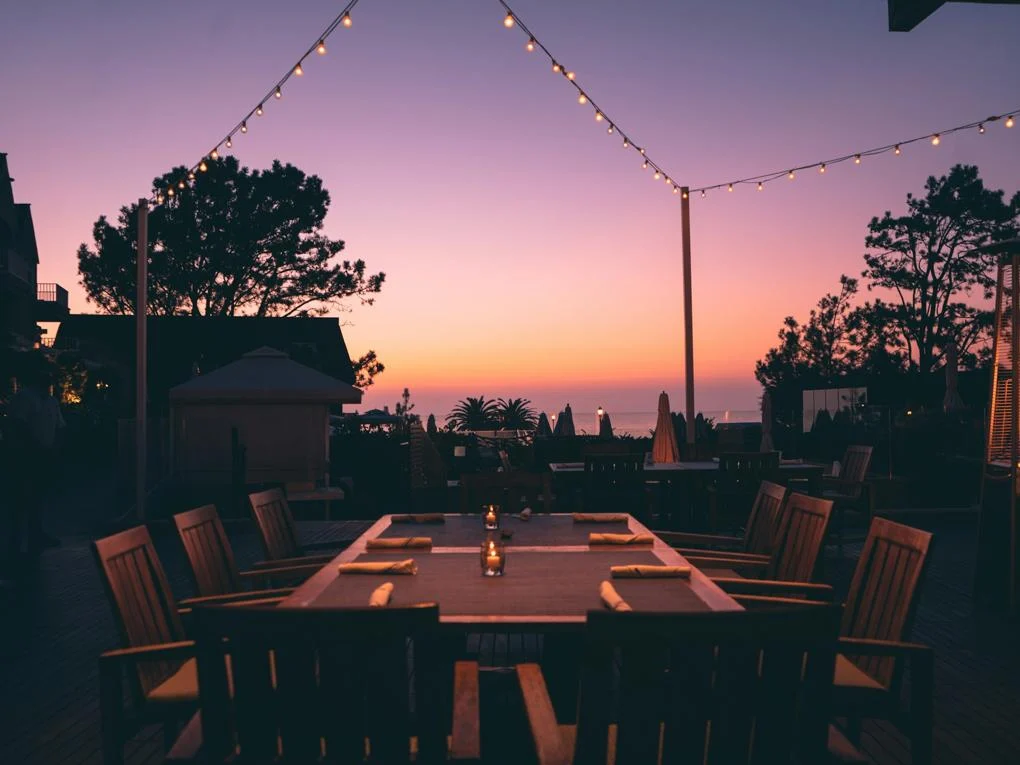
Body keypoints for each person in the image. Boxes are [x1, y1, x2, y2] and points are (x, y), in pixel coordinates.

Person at [5, 362, 63, 554]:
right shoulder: (25, 398)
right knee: (21, 496)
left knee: (38, 495)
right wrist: (31, 444)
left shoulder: (51, 401)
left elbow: (59, 426)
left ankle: (35, 534)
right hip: (25, 455)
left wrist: (55, 447)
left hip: (44, 454)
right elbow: (18, 424)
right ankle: (15, 539)